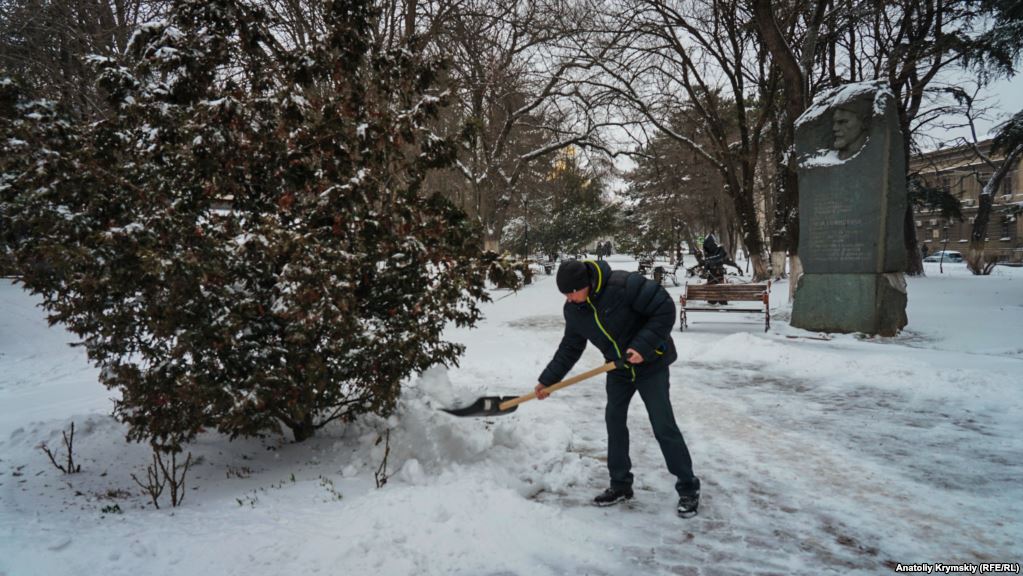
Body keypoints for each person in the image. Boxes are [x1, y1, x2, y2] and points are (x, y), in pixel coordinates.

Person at [535, 259, 701, 518]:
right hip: (617, 368)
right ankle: (620, 484)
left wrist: (642, 347)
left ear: (586, 284)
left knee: (662, 424)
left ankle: (688, 487)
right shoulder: (574, 310)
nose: (568, 298)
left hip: (651, 364)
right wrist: (548, 380)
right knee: (614, 420)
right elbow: (570, 348)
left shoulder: (624, 285)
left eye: (572, 292)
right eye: (564, 294)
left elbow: (665, 309)